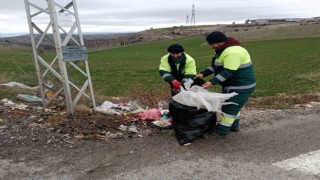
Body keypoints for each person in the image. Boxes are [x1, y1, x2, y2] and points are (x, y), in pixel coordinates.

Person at [195, 31, 256, 137]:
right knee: (234, 106)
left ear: (218, 42)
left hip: (240, 86)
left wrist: (212, 82)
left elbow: (228, 71)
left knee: (229, 109)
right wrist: (203, 73)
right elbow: (216, 66)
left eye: (211, 44)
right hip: (235, 84)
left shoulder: (233, 52)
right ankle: (234, 126)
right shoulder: (222, 50)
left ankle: (222, 130)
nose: (211, 46)